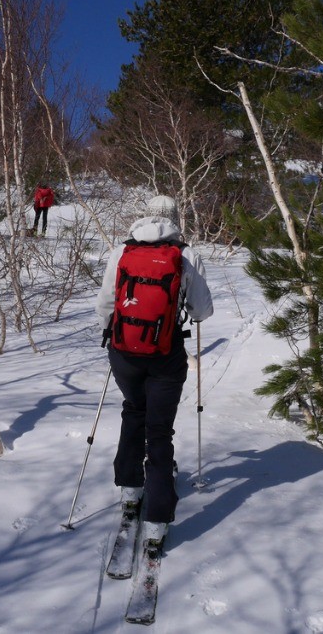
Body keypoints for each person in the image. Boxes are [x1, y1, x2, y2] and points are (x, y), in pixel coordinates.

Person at [95, 195, 213, 547]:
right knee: (159, 431)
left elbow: (105, 303)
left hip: (123, 352)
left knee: (134, 411)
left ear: (143, 217)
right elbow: (202, 311)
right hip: (166, 354)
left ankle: (131, 488)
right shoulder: (186, 255)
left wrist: (113, 330)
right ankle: (157, 520)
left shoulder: (122, 252)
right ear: (176, 219)